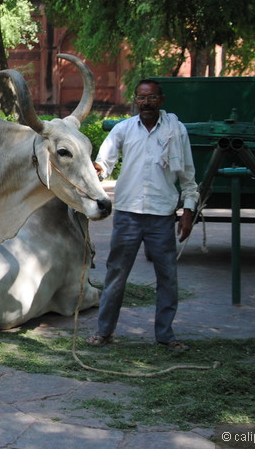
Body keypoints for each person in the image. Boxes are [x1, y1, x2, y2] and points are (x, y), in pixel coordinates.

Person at [87, 79, 199, 351]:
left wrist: (188, 211)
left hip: (161, 214)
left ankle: (165, 336)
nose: (146, 103)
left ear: (161, 100)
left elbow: (188, 177)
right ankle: (104, 332)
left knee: (167, 277)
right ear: (135, 101)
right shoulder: (123, 129)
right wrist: (96, 170)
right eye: (141, 98)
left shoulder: (176, 130)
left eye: (151, 98)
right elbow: (105, 162)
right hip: (127, 214)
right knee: (116, 274)